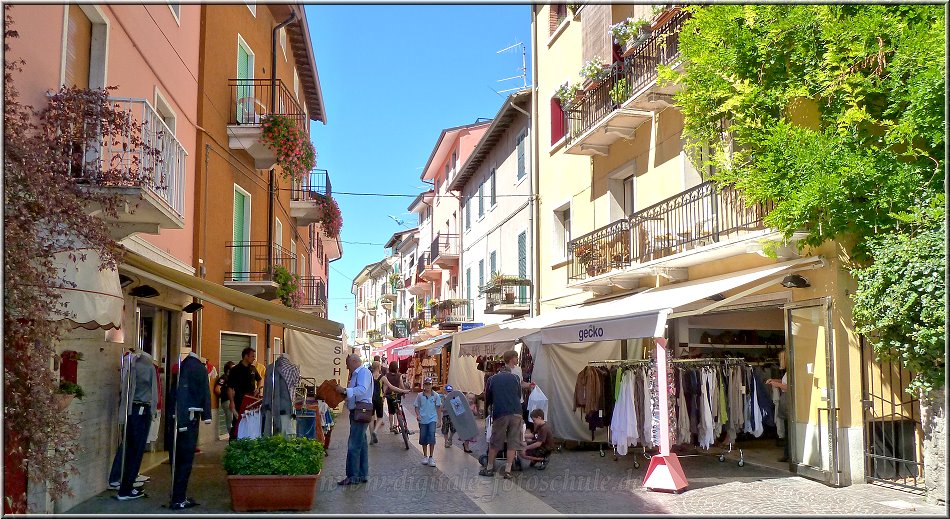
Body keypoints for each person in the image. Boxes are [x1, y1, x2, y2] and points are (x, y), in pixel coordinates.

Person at [168, 351, 212, 510]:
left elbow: (176, 393)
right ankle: (179, 498)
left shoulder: (181, 367)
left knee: (176, 459)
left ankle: (176, 494)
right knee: (185, 460)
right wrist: (207, 415)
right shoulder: (199, 368)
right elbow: (205, 393)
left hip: (176, 417)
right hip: (190, 417)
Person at [115, 350, 159, 500]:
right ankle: (126, 488)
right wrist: (153, 410)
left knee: (129, 448)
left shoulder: (132, 364)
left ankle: (125, 484)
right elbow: (153, 391)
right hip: (141, 410)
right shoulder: (148, 367)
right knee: (136, 450)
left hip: (129, 410)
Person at [480, 350, 530, 479]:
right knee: (513, 442)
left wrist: (488, 412)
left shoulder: (492, 379)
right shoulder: (515, 378)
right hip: (516, 412)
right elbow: (519, 395)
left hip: (501, 412)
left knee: (495, 441)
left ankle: (490, 467)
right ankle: (508, 470)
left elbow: (488, 398)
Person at [335, 354, 372, 485]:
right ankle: (362, 473)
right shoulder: (358, 373)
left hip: (360, 411)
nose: (347, 367)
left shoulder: (363, 372)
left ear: (354, 361)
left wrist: (345, 390)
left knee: (354, 444)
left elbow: (362, 390)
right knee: (361, 443)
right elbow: (358, 392)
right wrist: (347, 395)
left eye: (348, 364)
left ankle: (352, 476)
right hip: (357, 410)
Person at [370, 361, 410, 444]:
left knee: (371, 418)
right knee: (380, 418)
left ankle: (371, 438)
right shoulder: (382, 377)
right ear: (378, 367)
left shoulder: (369, 376)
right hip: (379, 399)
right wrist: (403, 391)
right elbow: (391, 387)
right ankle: (375, 431)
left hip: (370, 399)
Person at [227, 348, 262, 440]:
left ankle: (248, 442)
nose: (254, 358)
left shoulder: (253, 369)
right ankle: (234, 444)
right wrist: (231, 402)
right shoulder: (235, 370)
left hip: (252, 402)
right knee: (237, 423)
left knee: (250, 423)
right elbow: (230, 387)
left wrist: (258, 389)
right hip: (239, 401)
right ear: (246, 356)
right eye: (252, 356)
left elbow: (259, 379)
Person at [766, 352, 790, 463]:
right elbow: (785, 383)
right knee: (786, 428)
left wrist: (777, 385)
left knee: (788, 428)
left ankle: (787, 454)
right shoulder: (787, 372)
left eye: (781, 359)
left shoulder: (791, 372)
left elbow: (789, 386)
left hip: (787, 399)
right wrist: (775, 381)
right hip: (785, 398)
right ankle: (787, 454)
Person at [414, 377, 442, 467]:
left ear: (431, 385)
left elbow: (438, 408)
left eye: (429, 384)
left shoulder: (436, 395)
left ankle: (431, 456)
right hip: (423, 419)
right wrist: (418, 415)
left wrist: (439, 419)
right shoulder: (419, 396)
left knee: (431, 434)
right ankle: (425, 455)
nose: (428, 386)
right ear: (424, 385)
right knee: (423, 436)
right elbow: (416, 406)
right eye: (426, 384)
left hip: (432, 419)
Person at [384, 361, 408, 433]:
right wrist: (403, 392)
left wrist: (383, 395)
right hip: (397, 394)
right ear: (396, 368)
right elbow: (401, 385)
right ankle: (395, 425)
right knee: (397, 409)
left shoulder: (386, 375)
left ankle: (391, 426)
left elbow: (385, 386)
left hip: (389, 395)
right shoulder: (399, 375)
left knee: (390, 411)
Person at [215, 361, 235, 437]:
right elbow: (217, 389)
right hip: (227, 402)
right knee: (230, 420)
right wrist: (224, 396)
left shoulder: (231, 378)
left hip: (232, 401)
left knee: (233, 419)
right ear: (228, 370)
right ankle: (231, 436)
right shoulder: (224, 378)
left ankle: (233, 436)